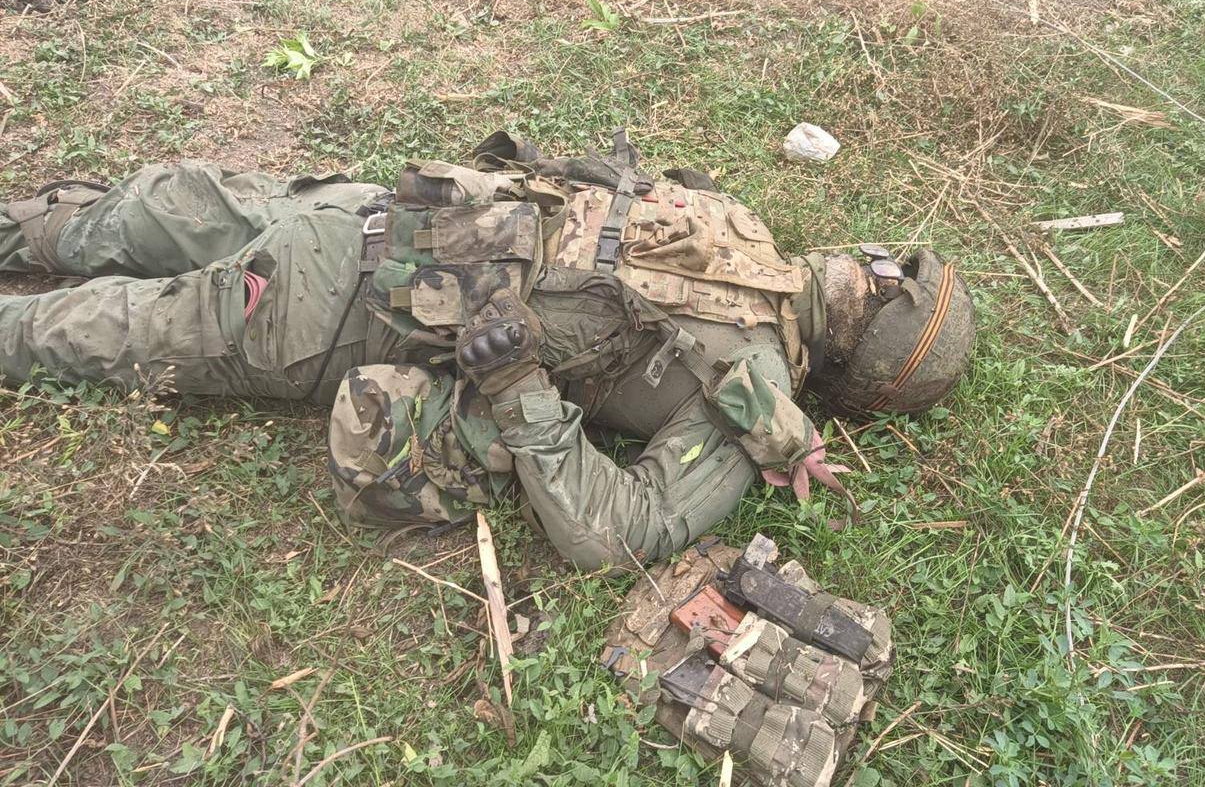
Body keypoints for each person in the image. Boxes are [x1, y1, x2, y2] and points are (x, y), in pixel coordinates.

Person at [0, 130, 975, 568]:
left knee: (80, 328)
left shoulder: (748, 401)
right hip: (356, 212)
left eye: (887, 280)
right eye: (888, 260)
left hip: (315, 318)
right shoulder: (746, 240)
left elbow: (614, 532)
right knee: (134, 210)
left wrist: (517, 387)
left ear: (869, 349)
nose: (871, 263)